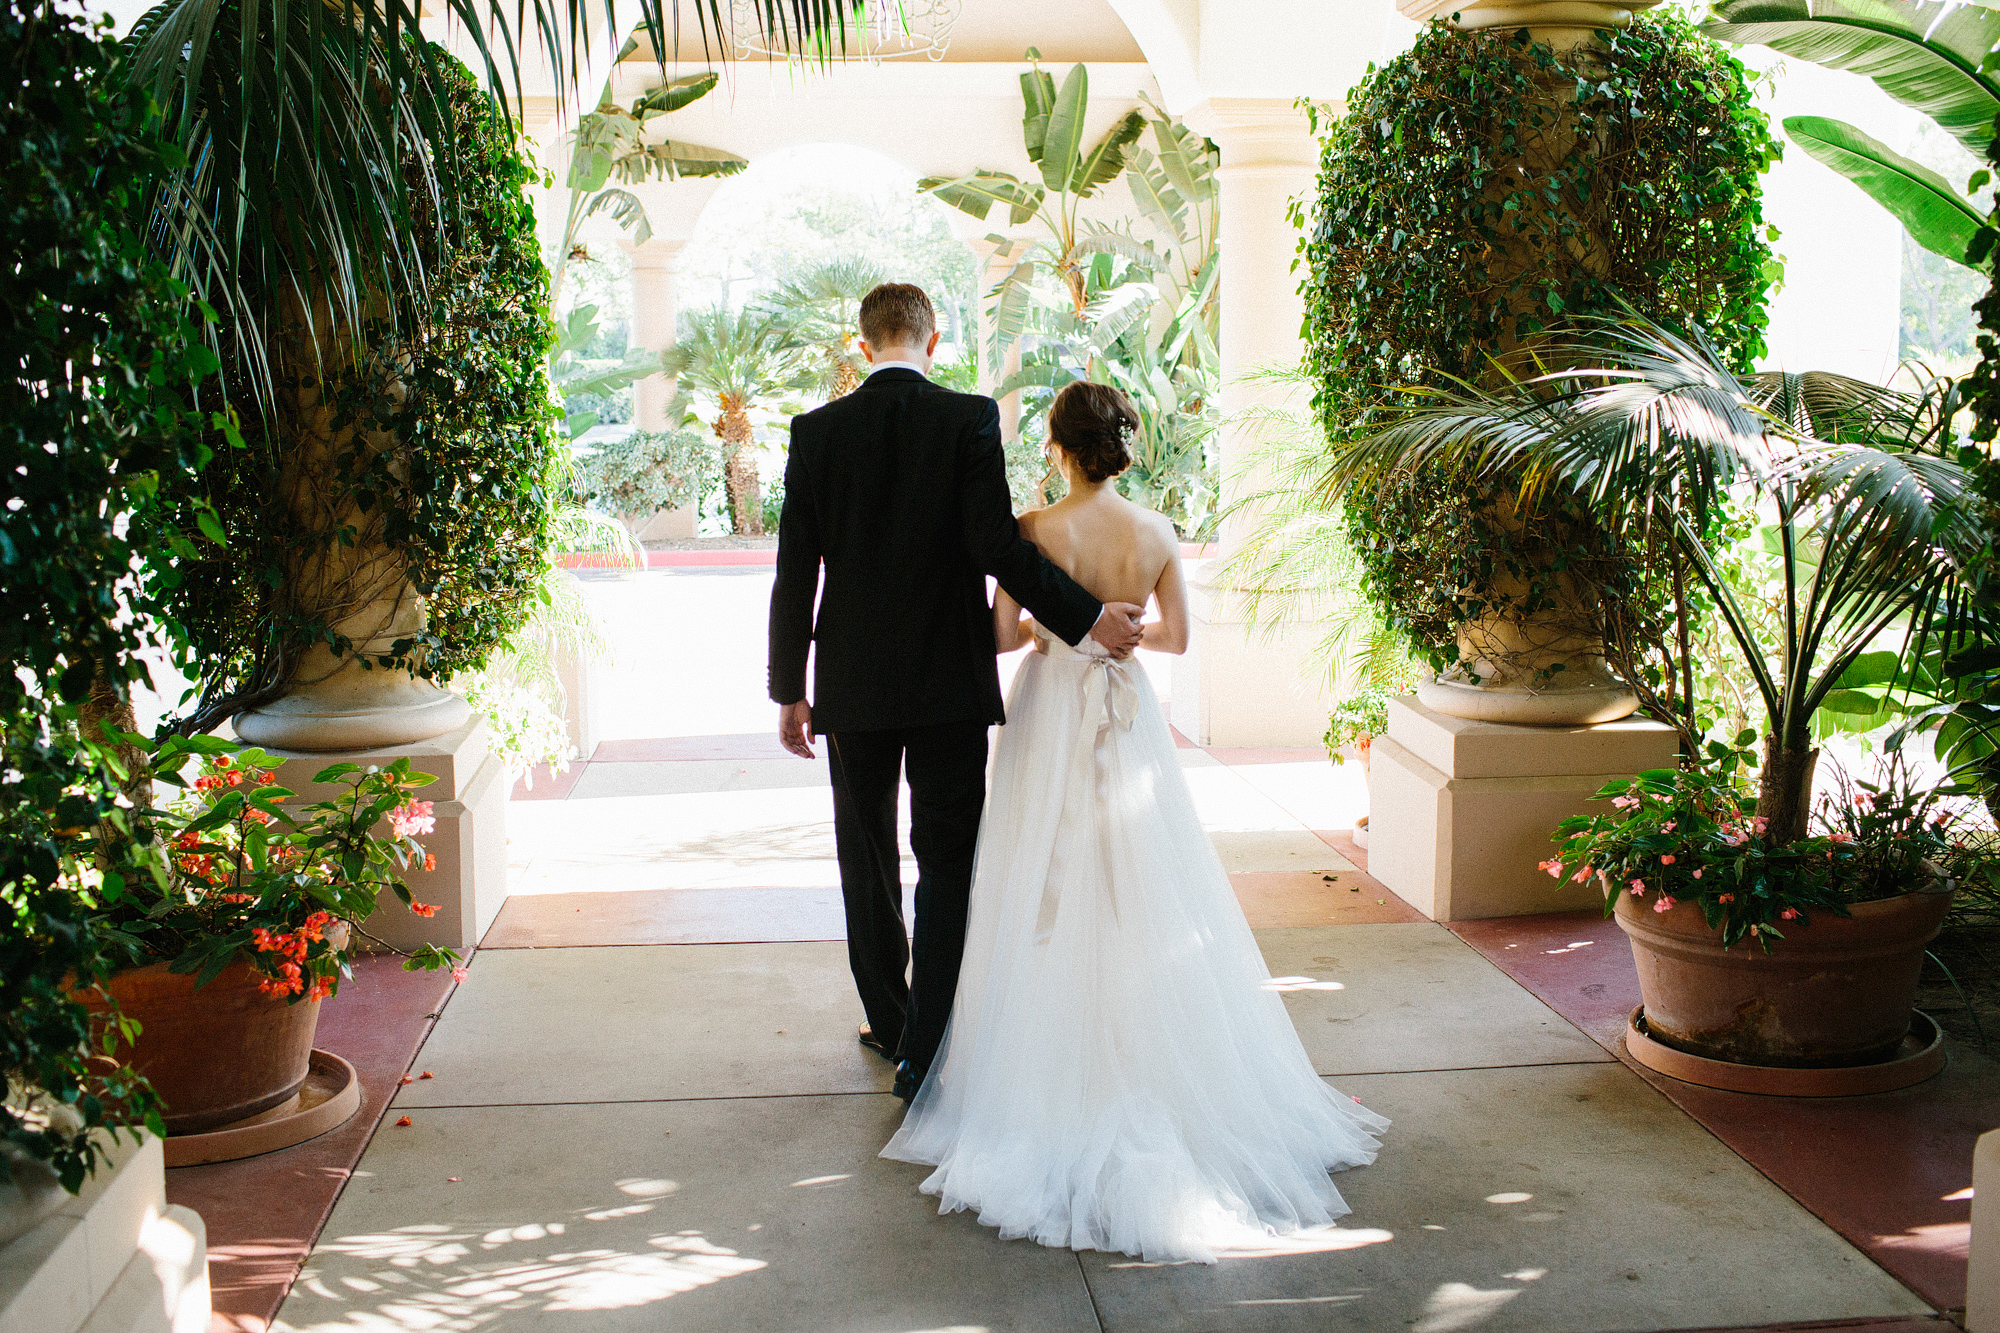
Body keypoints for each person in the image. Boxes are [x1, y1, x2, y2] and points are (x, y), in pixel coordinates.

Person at [882, 381, 1388, 1264]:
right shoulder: (1155, 533)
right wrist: (1122, 632)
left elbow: (1004, 636)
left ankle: (1046, 1054)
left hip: (1051, 705)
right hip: (1127, 708)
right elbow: (1179, 639)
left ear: (1060, 448)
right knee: (1136, 878)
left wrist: (1057, 631)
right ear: (1117, 445)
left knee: (1042, 866)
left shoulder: (1036, 530)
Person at [768, 284, 1147, 1103]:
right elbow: (993, 545)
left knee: (865, 856)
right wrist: (1086, 619)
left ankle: (892, 1021)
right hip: (947, 678)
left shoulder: (817, 432)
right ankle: (928, 1049)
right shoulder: (969, 418)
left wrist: (788, 689)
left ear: (864, 344)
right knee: (946, 859)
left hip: (854, 683)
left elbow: (796, 566)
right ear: (932, 341)